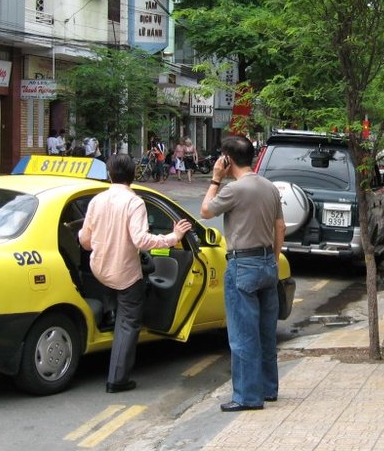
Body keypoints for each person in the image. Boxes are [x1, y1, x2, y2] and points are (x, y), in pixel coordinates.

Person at [79, 153, 192, 393]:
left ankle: (110, 313)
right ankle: (117, 380)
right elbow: (140, 240)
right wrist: (173, 237)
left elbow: (85, 241)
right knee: (128, 323)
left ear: (110, 175)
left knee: (114, 303)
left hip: (98, 270)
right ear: (132, 177)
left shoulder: (97, 200)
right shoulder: (134, 203)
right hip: (124, 273)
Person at [200, 135, 286, 412]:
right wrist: (272, 258)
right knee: (265, 332)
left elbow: (205, 211)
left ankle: (248, 397)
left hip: (242, 264)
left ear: (227, 159)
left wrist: (215, 179)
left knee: (242, 335)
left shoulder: (234, 190)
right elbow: (280, 227)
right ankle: (268, 389)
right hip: (266, 263)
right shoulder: (269, 186)